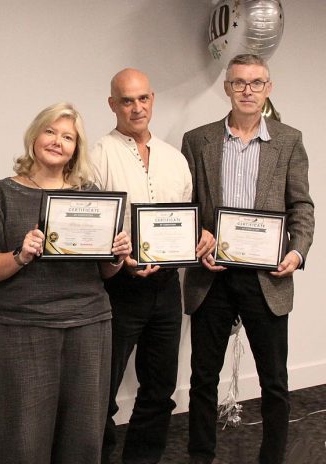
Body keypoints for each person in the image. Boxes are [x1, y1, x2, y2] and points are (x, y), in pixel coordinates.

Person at [0, 102, 132, 464]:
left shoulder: (93, 196)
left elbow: (106, 273)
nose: (57, 141)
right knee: (21, 442)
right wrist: (20, 255)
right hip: (20, 330)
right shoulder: (5, 193)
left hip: (88, 328)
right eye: (50, 132)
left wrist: (116, 255)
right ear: (34, 136)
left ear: (76, 148)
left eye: (68, 137)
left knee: (81, 440)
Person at [182, 54, 314, 464]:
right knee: (203, 379)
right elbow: (184, 207)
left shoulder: (289, 140)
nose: (247, 90)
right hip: (212, 277)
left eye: (256, 83)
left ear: (268, 88)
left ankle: (271, 458)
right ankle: (200, 456)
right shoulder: (197, 139)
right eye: (239, 82)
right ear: (227, 88)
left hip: (268, 277)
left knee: (274, 381)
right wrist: (194, 240)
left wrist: (296, 251)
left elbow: (302, 206)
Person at [92, 68, 214, 464]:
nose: (136, 107)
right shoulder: (97, 155)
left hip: (165, 287)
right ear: (112, 104)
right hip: (117, 287)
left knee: (160, 388)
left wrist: (198, 241)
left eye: (143, 98)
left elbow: (185, 223)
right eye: (126, 100)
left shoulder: (176, 159)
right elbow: (90, 226)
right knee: (101, 391)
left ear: (153, 100)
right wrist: (122, 261)